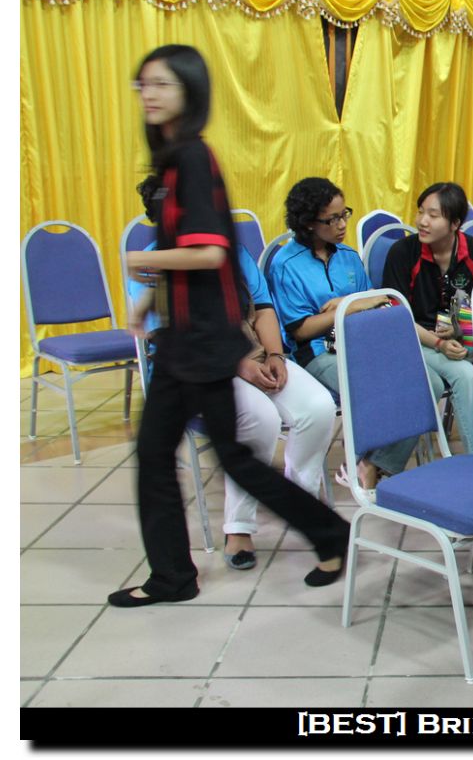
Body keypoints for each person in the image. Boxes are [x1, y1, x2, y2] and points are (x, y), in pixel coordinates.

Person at [115, 44, 348, 607]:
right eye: (143, 84)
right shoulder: (174, 160)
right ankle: (321, 533)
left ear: (189, 92)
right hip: (190, 336)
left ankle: (177, 576)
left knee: (190, 457)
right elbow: (186, 251)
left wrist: (141, 260)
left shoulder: (192, 158)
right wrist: (150, 301)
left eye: (162, 84)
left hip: (200, 341)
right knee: (199, 456)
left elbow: (211, 252)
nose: (149, 94)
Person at [128, 240, 338, 571]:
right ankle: (239, 527)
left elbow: (263, 308)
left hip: (253, 350)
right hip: (199, 367)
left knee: (318, 406)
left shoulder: (231, 249)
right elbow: (170, 335)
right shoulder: (156, 257)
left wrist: (274, 355)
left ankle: (302, 503)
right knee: (260, 418)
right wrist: (240, 365)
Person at [270, 177, 415, 490]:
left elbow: (374, 304)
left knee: (417, 380)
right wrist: (349, 307)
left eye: (344, 214)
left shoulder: (348, 256)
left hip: (360, 344)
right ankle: (366, 466)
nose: (342, 225)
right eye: (332, 219)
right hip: (316, 352)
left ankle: (370, 463)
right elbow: (302, 330)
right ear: (308, 223)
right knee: (373, 385)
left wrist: (352, 305)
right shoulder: (286, 264)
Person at [382, 181, 473, 456]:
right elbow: (397, 319)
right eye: (421, 212)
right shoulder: (402, 253)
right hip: (412, 340)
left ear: (455, 223)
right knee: (466, 376)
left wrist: (459, 332)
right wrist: (439, 343)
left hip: (456, 338)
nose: (422, 221)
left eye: (433, 215)